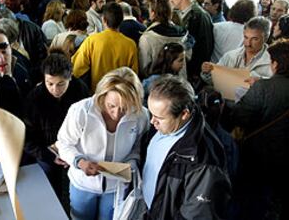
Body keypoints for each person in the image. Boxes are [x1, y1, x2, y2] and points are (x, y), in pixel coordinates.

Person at [57, 67, 149, 220]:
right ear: (102, 96)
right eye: (111, 106)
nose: (117, 114)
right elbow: (64, 143)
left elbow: (138, 146)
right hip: (83, 183)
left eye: (124, 108)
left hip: (117, 186)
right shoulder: (81, 110)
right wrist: (79, 161)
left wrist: (132, 162)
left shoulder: (141, 115)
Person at [141, 75, 231, 219]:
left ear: (184, 114)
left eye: (159, 117)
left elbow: (199, 213)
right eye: (151, 113)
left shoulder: (203, 159)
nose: (152, 121)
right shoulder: (161, 127)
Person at [231, 39, 289, 220]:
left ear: (275, 64)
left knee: (253, 198)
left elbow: (241, 116)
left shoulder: (262, 88)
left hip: (258, 154)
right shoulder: (265, 86)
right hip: (285, 158)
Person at [24, 48, 90, 204]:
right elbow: (26, 138)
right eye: (50, 83)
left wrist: (73, 154)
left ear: (70, 78)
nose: (55, 89)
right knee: (50, 193)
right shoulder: (34, 99)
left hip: (76, 151)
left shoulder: (80, 90)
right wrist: (49, 155)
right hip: (47, 152)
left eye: (61, 84)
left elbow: (90, 124)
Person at [72, 2, 138, 91]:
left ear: (104, 20)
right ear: (121, 20)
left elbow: (77, 69)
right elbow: (133, 76)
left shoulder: (92, 40)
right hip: (120, 94)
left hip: (97, 92)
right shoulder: (130, 44)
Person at [202, 16, 273, 85]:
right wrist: (208, 71)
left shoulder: (273, 62)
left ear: (265, 38)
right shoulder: (231, 56)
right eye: (246, 37)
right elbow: (212, 81)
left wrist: (261, 83)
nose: (248, 44)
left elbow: (278, 89)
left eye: (255, 39)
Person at [170, 0, 214, 88]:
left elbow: (205, 47)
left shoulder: (199, 16)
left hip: (193, 71)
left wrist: (196, 71)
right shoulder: (181, 13)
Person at [139, 0, 188, 79]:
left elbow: (144, 67)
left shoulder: (147, 38)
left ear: (153, 13)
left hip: (156, 84)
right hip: (180, 81)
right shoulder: (183, 34)